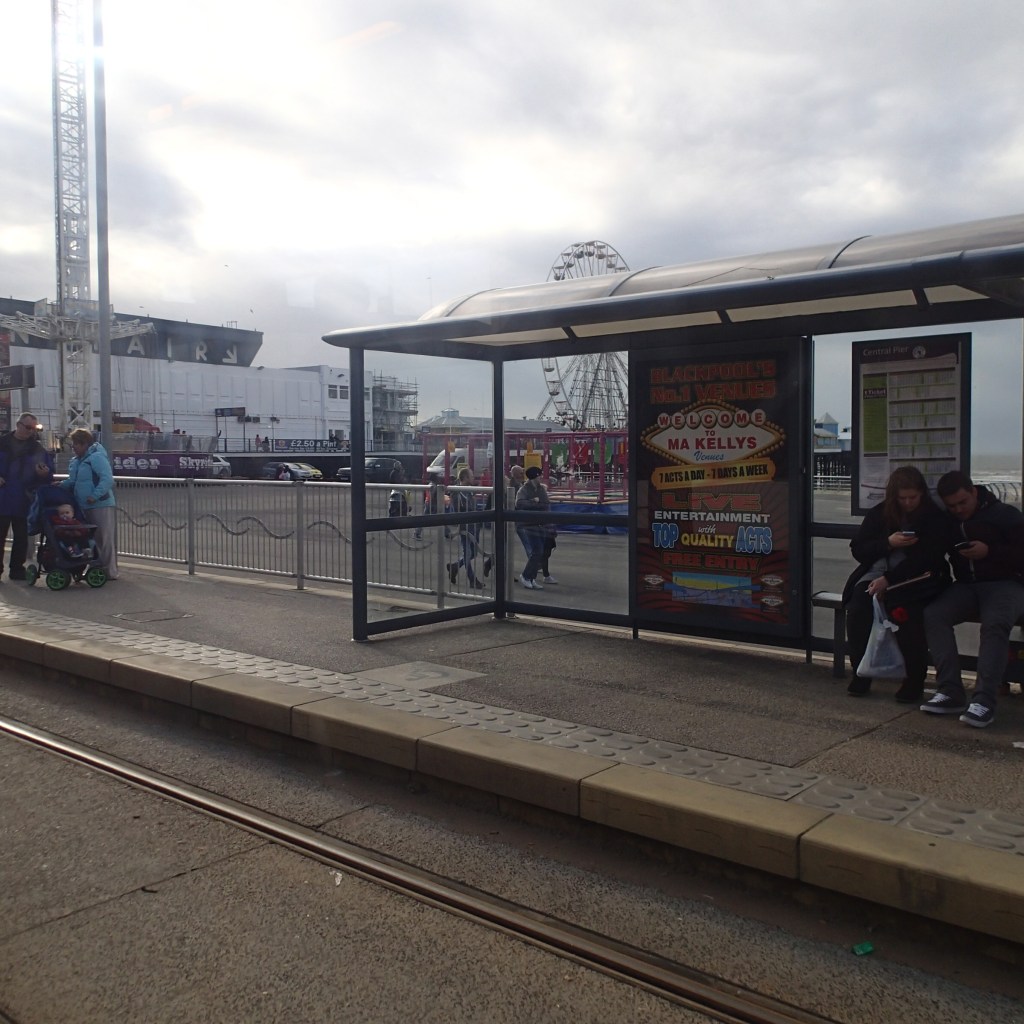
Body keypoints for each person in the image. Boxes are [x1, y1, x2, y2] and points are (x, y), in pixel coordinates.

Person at [920, 470, 1024, 727]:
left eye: (962, 502)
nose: (958, 510)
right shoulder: (948, 521)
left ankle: (984, 700)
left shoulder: (1005, 515)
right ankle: (950, 690)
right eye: (952, 506)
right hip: (966, 585)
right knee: (934, 615)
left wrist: (990, 551)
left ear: (974, 492)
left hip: (1006, 584)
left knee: (995, 624)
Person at [841, 465, 949, 702]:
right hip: (877, 572)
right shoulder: (880, 514)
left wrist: (890, 580)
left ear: (922, 494)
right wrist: (887, 543)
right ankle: (861, 671)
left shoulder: (933, 517)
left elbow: (928, 558)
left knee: (907, 613)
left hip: (917, 577)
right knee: (858, 608)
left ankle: (913, 679)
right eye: (903, 498)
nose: (908, 503)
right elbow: (859, 549)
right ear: (894, 497)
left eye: (913, 498)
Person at [0, 413, 55, 580]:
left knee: (21, 538)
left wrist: (44, 474)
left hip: (24, 499)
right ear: (18, 425)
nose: (31, 431)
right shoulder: (2, 443)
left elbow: (48, 473)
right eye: (28, 427)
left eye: (34, 428)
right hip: (3, 498)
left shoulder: (37, 449)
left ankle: (17, 570)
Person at [61, 428, 118, 580]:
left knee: (103, 539)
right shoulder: (76, 461)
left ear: (84, 444)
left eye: (75, 444)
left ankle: (109, 571)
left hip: (100, 504)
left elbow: (107, 479)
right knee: (91, 539)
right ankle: (97, 568)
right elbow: (72, 481)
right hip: (84, 505)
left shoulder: (96, 458)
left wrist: (94, 496)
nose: (73, 448)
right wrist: (59, 486)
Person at [446, 466, 484, 590]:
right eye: (471, 476)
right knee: (468, 553)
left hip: (473, 526)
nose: (473, 477)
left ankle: (455, 566)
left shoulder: (469, 491)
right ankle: (472, 580)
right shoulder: (457, 492)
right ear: (465, 477)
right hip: (465, 526)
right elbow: (458, 510)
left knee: (472, 553)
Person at [515, 465, 549, 590]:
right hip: (528, 525)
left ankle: (531, 577)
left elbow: (545, 504)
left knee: (539, 552)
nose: (541, 478)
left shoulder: (541, 489)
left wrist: (534, 503)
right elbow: (519, 504)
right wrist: (534, 502)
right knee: (537, 551)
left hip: (540, 523)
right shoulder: (524, 489)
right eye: (539, 476)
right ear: (535, 477)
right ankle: (526, 576)